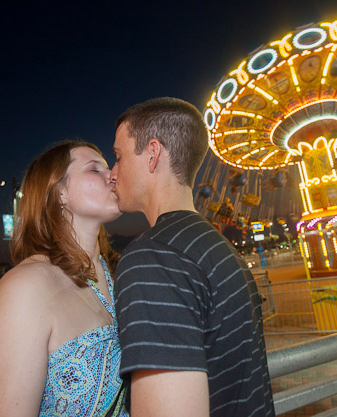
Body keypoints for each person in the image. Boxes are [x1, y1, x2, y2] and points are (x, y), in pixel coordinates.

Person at [110, 97, 275, 416]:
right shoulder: (217, 247)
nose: (113, 173)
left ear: (152, 154)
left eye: (118, 156)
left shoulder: (152, 260)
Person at [0, 141, 128, 416]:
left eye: (108, 166)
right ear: (60, 193)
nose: (112, 174)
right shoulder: (25, 289)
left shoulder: (118, 274)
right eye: (94, 169)